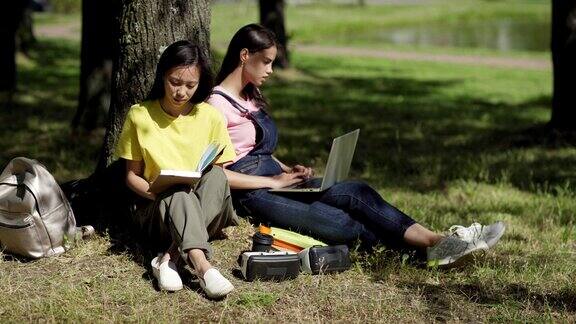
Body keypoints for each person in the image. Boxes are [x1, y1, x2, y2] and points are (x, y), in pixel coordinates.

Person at [207, 24, 506, 267]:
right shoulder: (216, 105)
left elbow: (258, 150)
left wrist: (289, 170)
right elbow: (220, 173)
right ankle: (432, 250)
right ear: (245, 55)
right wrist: (272, 180)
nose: (271, 70)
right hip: (253, 194)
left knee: (356, 192)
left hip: (277, 179)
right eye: (267, 62)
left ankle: (435, 241)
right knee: (342, 224)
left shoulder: (250, 95)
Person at [115, 40, 237, 298]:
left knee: (215, 175)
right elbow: (130, 176)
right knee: (177, 192)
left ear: (200, 83)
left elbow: (218, 175)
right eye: (175, 82)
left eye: (190, 86)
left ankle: (169, 258)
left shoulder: (210, 116)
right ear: (162, 76)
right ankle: (203, 267)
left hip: (206, 209)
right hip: (156, 210)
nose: (181, 92)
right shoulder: (140, 114)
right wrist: (161, 195)